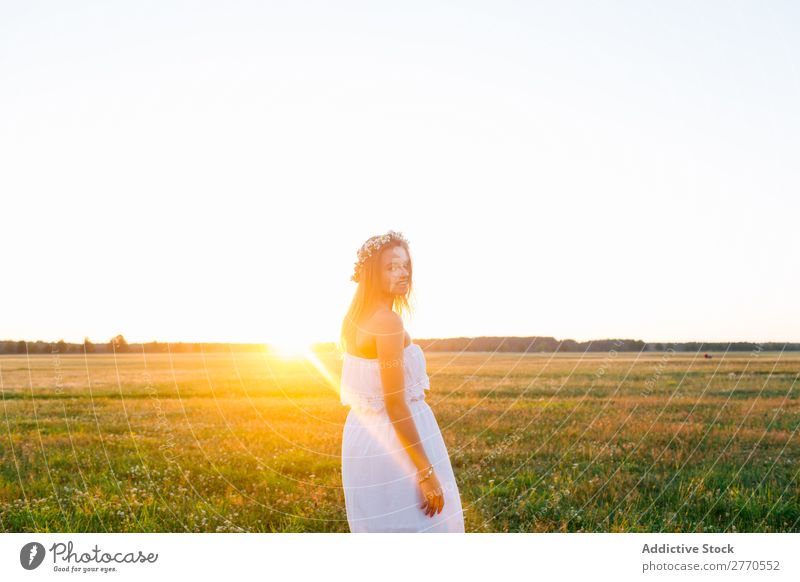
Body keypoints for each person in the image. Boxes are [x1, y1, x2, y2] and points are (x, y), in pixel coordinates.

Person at [339, 230, 465, 532]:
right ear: (371, 274)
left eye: (405, 265)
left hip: (365, 437)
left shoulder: (358, 319)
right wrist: (425, 473)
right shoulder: (387, 322)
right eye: (391, 267)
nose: (402, 272)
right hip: (394, 443)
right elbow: (395, 403)